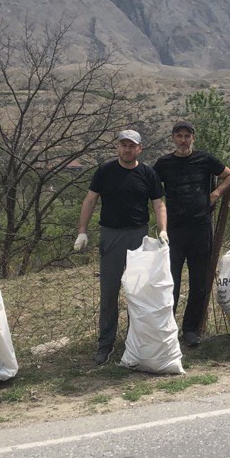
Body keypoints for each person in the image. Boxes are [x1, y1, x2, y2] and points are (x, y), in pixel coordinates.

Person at [74, 130, 167, 364]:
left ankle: (136, 341)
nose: (127, 149)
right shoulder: (105, 171)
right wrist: (82, 231)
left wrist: (163, 229)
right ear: (118, 148)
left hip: (138, 235)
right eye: (123, 145)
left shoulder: (148, 174)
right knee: (109, 291)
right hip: (111, 235)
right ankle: (105, 344)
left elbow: (158, 204)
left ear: (140, 149)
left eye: (131, 146)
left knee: (138, 292)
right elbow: (90, 200)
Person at [153, 120, 230, 348]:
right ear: (173, 139)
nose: (183, 140)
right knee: (171, 282)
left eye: (186, 136)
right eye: (178, 136)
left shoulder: (205, 159)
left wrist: (216, 193)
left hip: (200, 228)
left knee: (199, 282)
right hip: (173, 231)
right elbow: (151, 186)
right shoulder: (163, 163)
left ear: (193, 138)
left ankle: (191, 329)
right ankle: (168, 327)